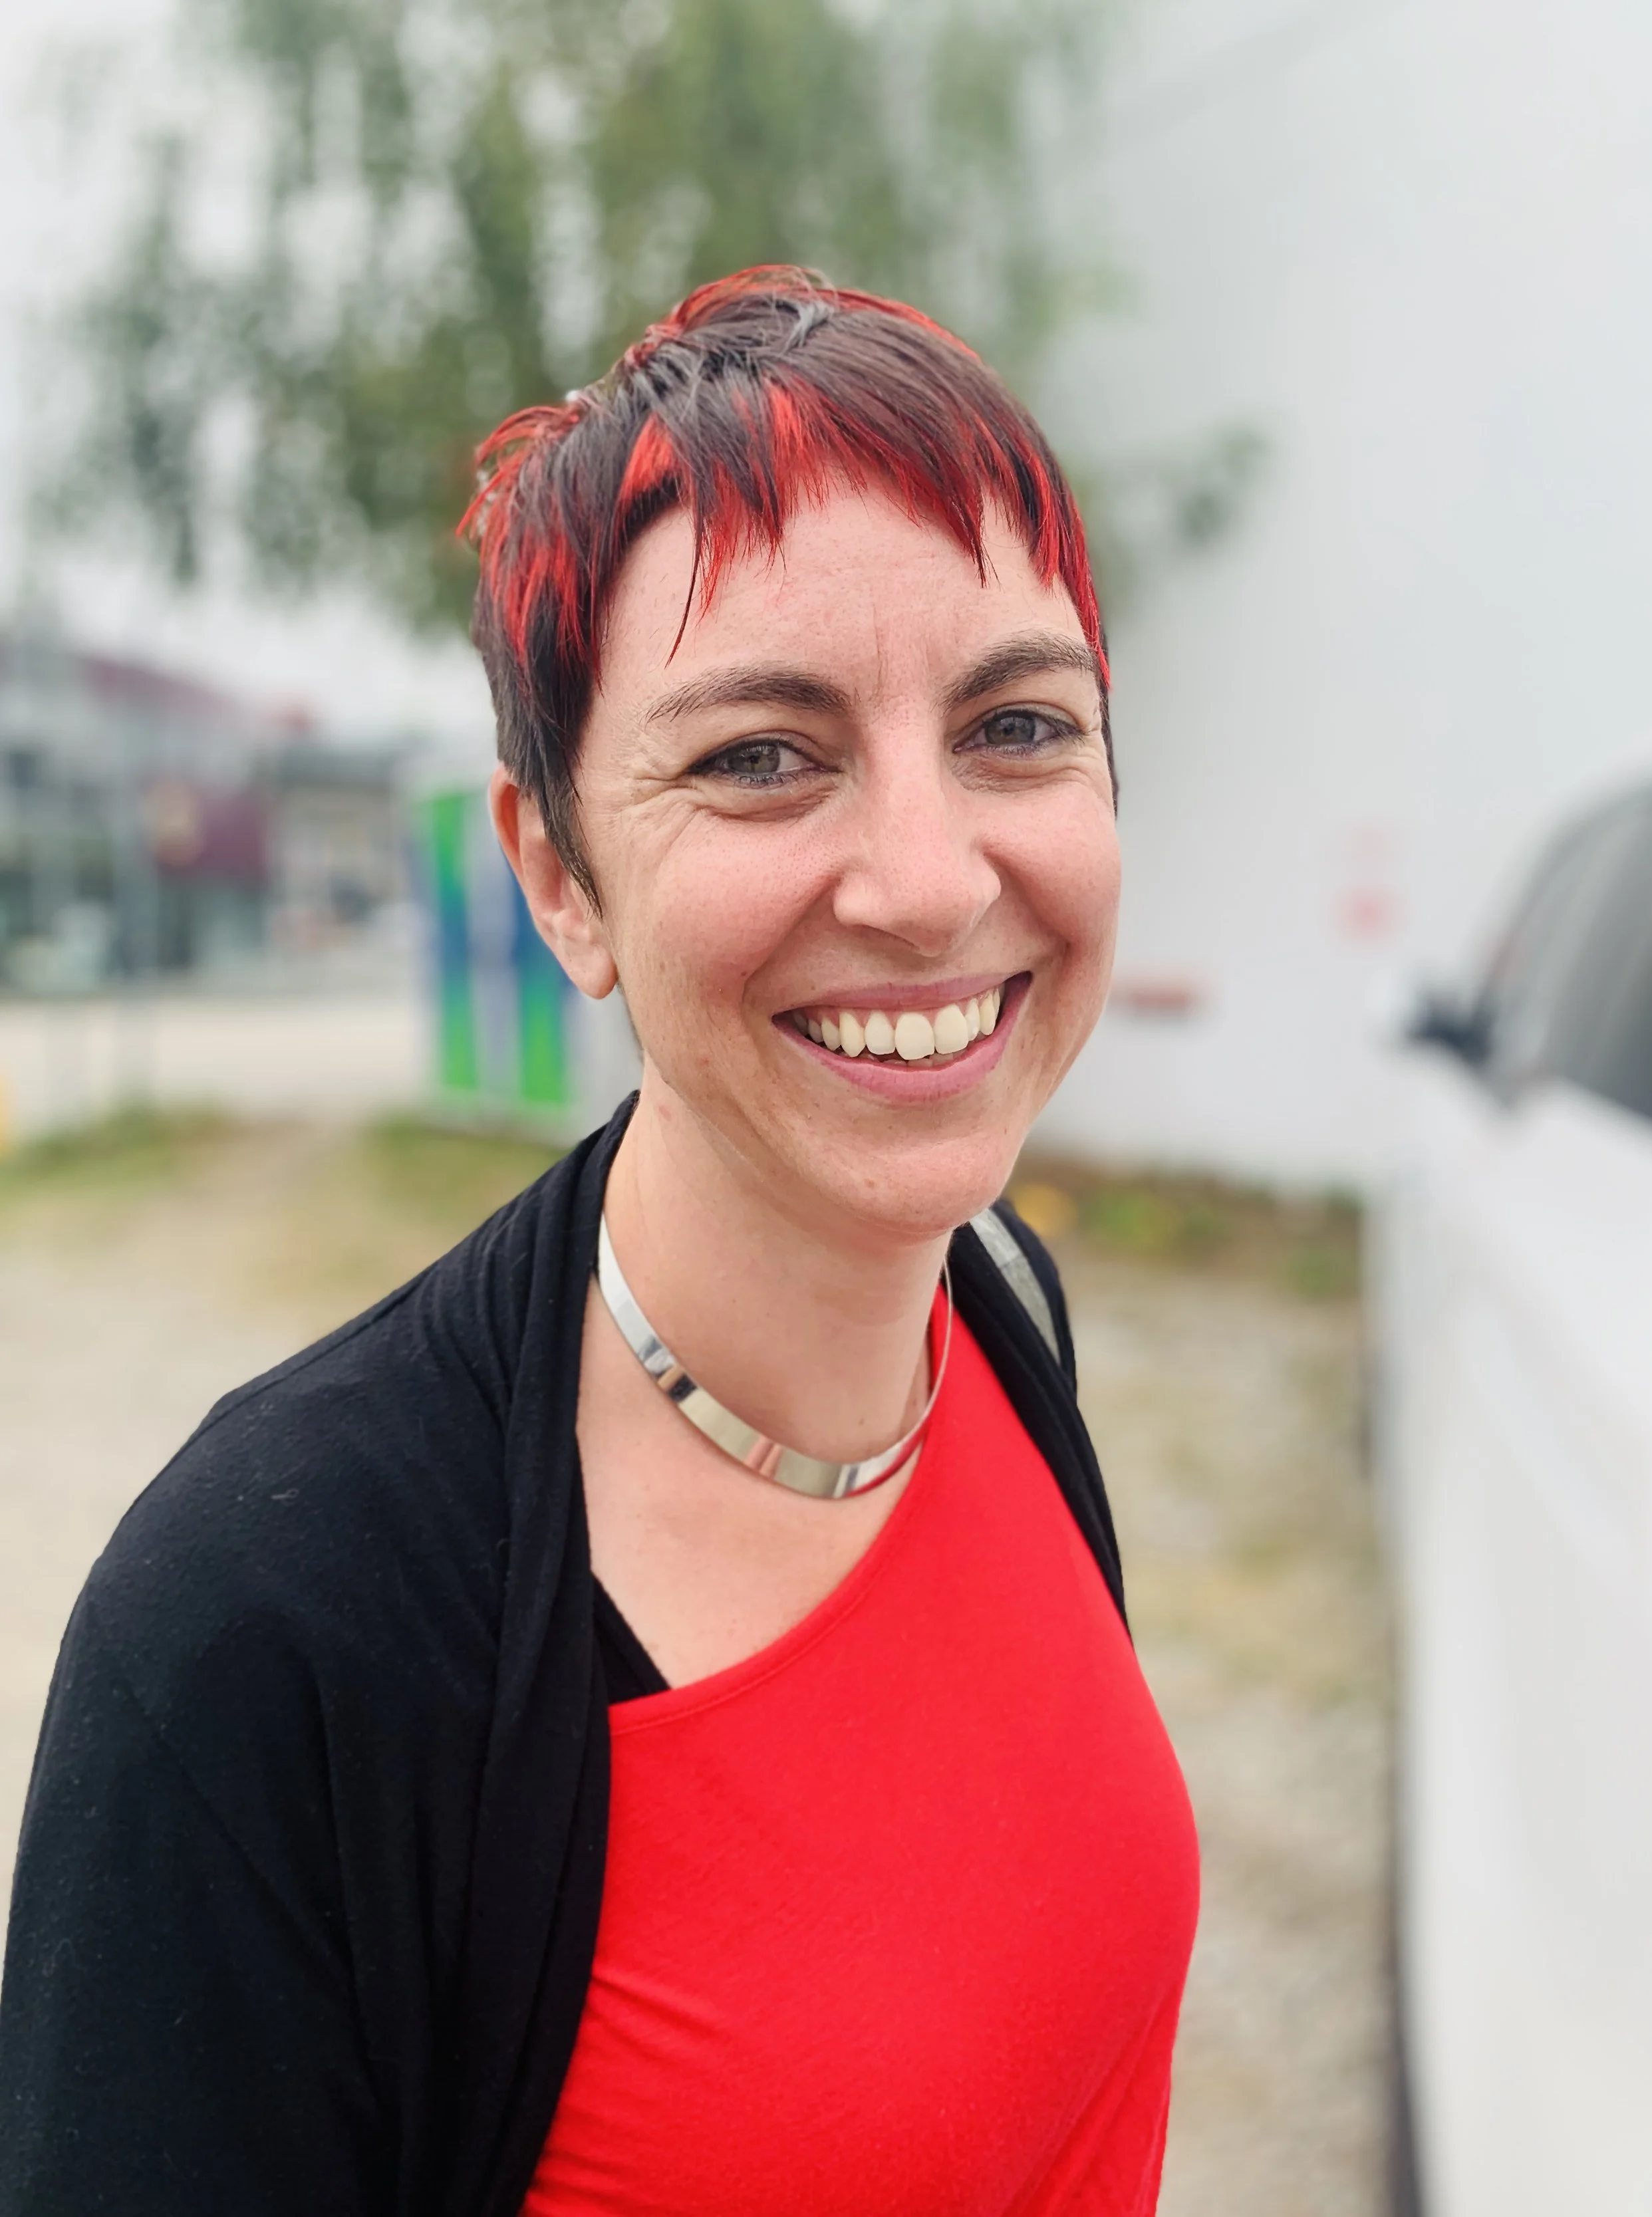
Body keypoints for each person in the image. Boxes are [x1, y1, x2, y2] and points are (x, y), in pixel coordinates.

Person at [0, 268, 1197, 2217]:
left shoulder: (1000, 1321)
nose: (924, 878)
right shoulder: (257, 1634)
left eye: (1015, 725)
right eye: (757, 754)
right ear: (559, 871)